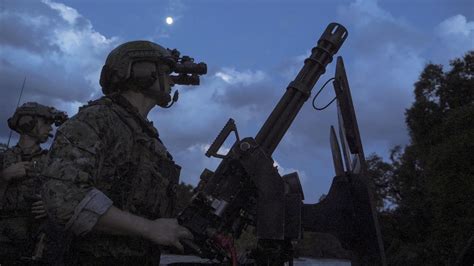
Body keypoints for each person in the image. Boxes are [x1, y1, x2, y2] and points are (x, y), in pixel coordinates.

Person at [41, 41, 200, 265]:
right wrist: (149, 229)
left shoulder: (149, 140)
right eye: (165, 72)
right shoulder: (96, 119)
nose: (172, 80)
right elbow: (65, 198)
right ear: (143, 73)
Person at [0, 102, 67, 264]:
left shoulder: (53, 161)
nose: (50, 129)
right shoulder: (4, 159)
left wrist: (50, 206)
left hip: (38, 240)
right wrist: (4, 176)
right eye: (45, 123)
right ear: (28, 122)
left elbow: (67, 195)